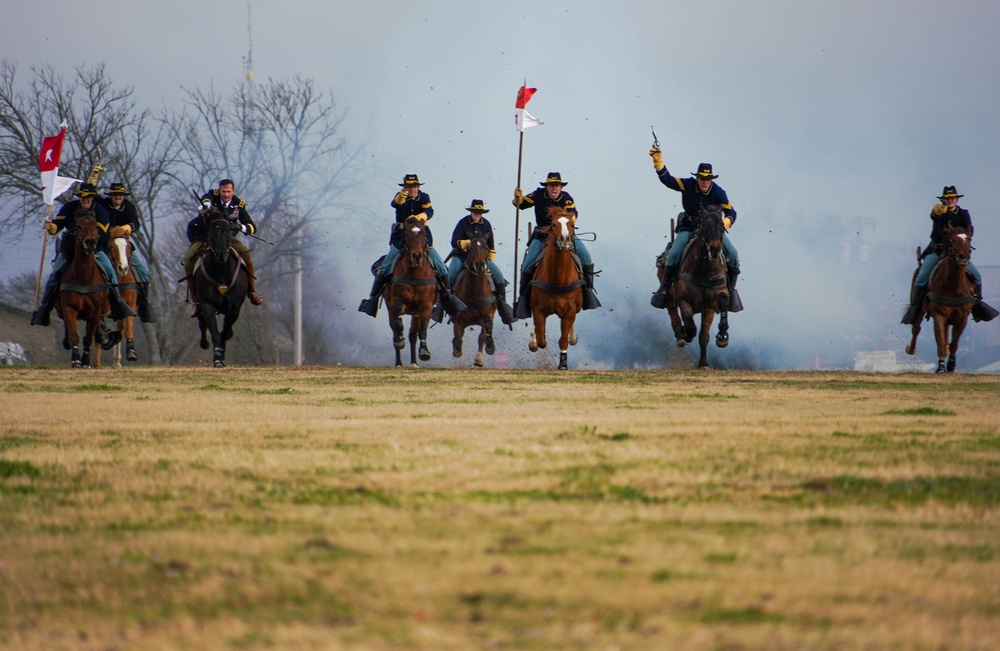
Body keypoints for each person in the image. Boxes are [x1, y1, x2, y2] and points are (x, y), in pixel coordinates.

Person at [649, 147, 742, 312]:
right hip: (689, 227)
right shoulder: (687, 185)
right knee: (674, 254)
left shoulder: (719, 193)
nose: (705, 182)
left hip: (713, 231)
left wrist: (724, 223)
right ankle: (664, 290)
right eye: (702, 178)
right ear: (697, 178)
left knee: (733, 254)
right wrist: (658, 161)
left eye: (708, 179)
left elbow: (731, 213)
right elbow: (667, 180)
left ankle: (732, 291)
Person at [358, 174, 464, 318]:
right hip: (402, 238)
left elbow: (429, 211)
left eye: (414, 186)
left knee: (441, 266)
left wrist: (419, 218)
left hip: (421, 238)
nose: (412, 189)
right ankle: (373, 299)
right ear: (405, 187)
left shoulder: (424, 197)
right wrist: (402, 196)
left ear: (418, 187)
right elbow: (396, 204)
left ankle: (447, 298)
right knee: (385, 267)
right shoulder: (400, 197)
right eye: (409, 186)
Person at [30, 183, 137, 326]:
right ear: (79, 197)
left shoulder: (100, 211)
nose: (85, 199)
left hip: (95, 250)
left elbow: (103, 233)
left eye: (88, 197)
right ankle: (44, 309)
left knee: (110, 272)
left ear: (93, 198)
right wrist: (51, 227)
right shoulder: (69, 207)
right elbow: (57, 226)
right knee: (54, 275)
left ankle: (117, 305)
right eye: (82, 197)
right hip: (70, 250)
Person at [901, 186, 997, 324]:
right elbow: (935, 219)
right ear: (943, 200)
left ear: (956, 199)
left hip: (957, 253)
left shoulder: (964, 214)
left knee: (977, 276)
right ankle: (915, 309)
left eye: (952, 198)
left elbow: (969, 230)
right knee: (921, 277)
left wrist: (962, 241)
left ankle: (977, 306)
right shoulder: (939, 212)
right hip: (938, 250)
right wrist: (938, 214)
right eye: (947, 198)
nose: (950, 200)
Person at [511, 172, 599, 318]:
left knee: (586, 257)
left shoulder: (566, 198)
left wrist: (566, 222)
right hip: (542, 237)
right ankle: (523, 300)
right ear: (546, 187)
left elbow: (573, 213)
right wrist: (517, 197)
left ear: (560, 187)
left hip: (565, 235)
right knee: (527, 265)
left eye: (557, 186)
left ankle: (588, 292)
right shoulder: (538, 194)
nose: (554, 189)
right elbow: (520, 205)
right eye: (552, 185)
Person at [182, 179, 263, 314]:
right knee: (188, 261)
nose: (226, 195)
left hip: (227, 238)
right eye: (223, 191)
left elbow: (252, 227)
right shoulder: (212, 197)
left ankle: (252, 291)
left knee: (247, 255)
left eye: (228, 192)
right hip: (205, 236)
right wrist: (206, 205)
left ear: (233, 192)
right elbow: (206, 199)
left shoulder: (238, 205)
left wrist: (240, 226)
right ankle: (196, 301)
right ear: (219, 190)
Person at [447, 199, 515, 325]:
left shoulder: (486, 225)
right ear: (471, 211)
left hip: (482, 259)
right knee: (450, 276)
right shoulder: (463, 223)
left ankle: (503, 309)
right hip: (461, 257)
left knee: (499, 277)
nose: (477, 214)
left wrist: (489, 261)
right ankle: (443, 306)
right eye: (475, 212)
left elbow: (491, 247)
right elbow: (454, 242)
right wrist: (466, 243)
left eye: (479, 212)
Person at [96, 182, 155, 322]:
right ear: (110, 196)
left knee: (143, 272)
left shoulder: (128, 206)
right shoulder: (102, 204)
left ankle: (144, 304)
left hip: (123, 245)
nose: (118, 197)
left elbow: (135, 223)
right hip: (104, 246)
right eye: (115, 195)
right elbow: (90, 195)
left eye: (120, 195)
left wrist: (121, 230)